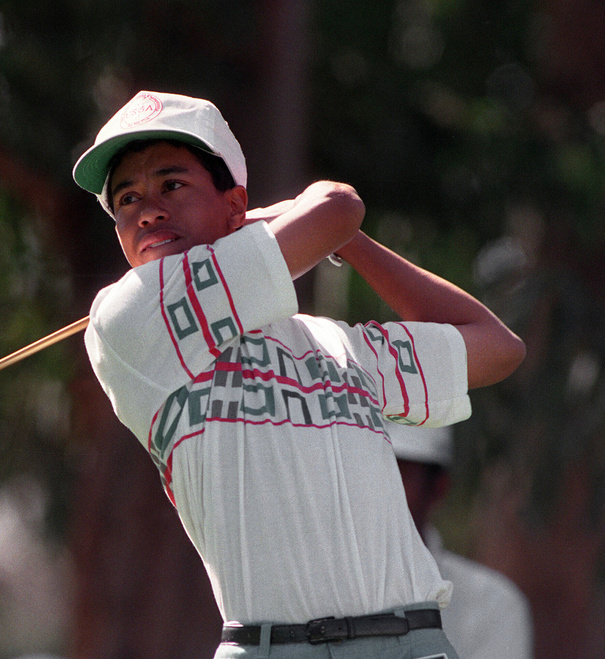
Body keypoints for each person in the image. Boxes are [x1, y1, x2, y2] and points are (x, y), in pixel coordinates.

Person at [72, 90, 526, 658]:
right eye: (127, 199)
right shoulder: (126, 316)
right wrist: (320, 220)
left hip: (412, 644)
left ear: (236, 204)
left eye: (172, 185)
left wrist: (349, 243)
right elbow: (339, 204)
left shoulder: (338, 345)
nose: (148, 210)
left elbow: (497, 348)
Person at [387, 422, 534, 659]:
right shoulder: (321, 591)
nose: (374, 490)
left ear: (438, 487)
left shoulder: (492, 607)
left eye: (397, 473)